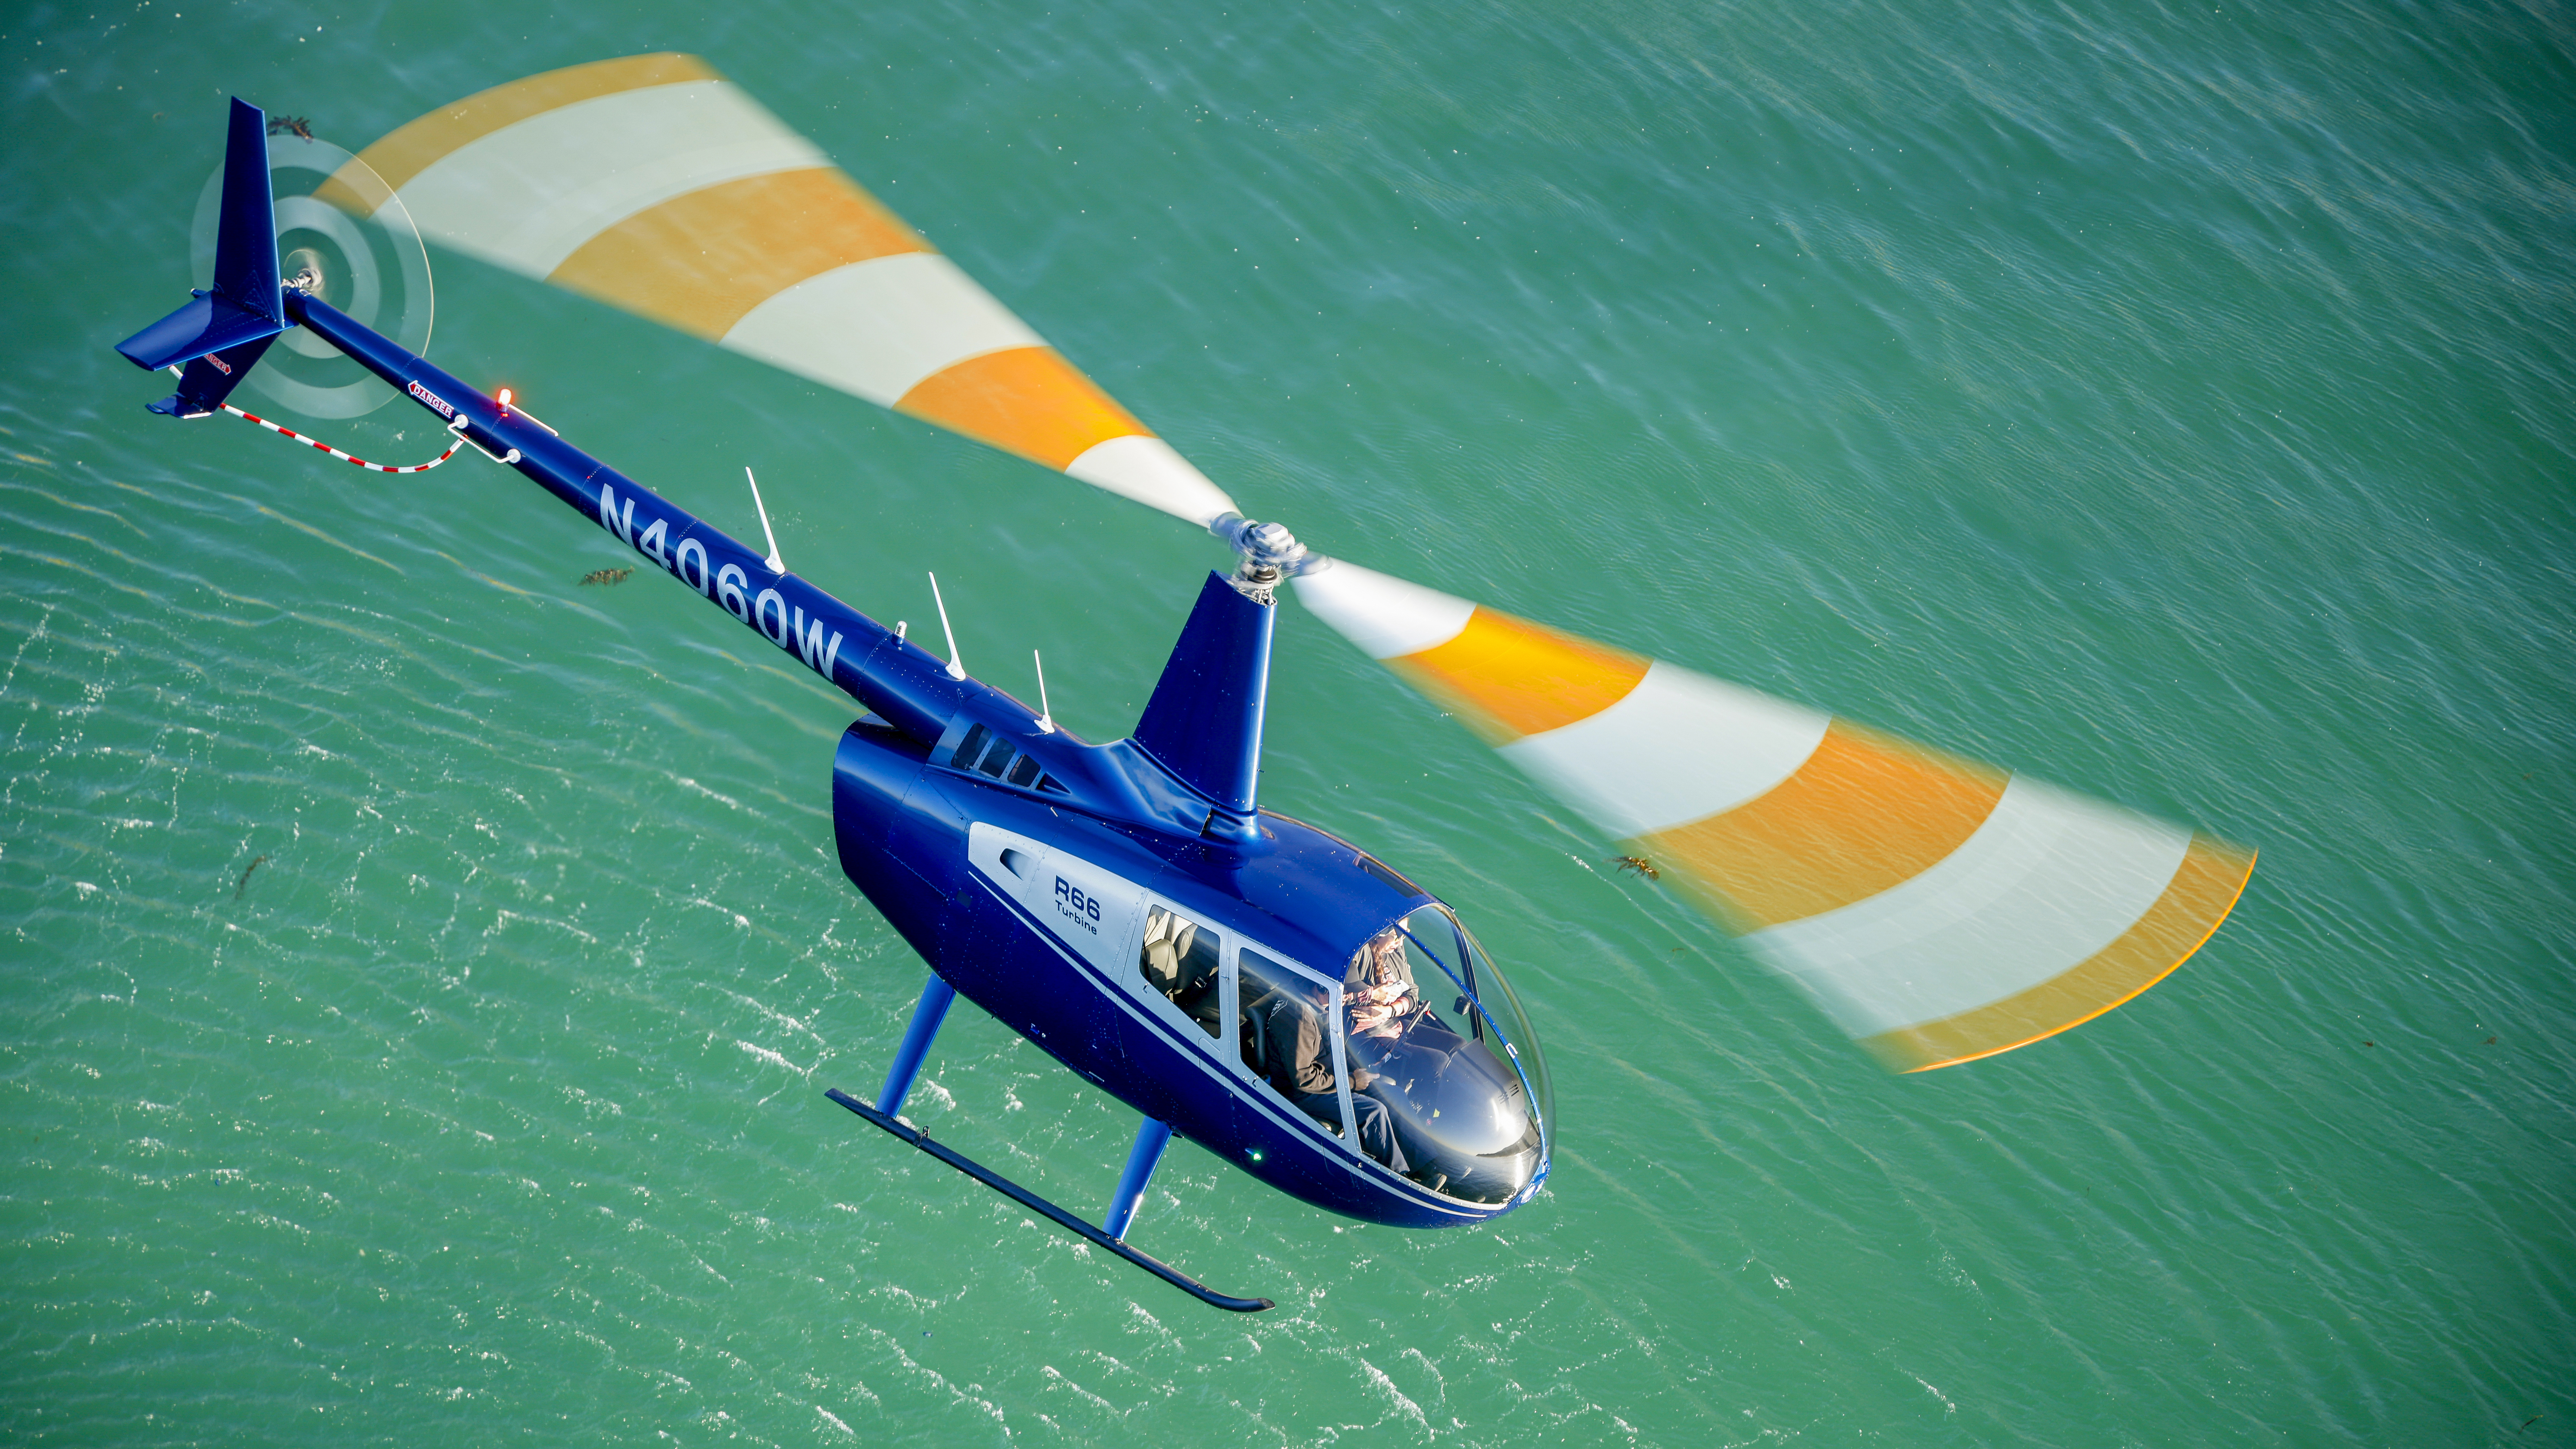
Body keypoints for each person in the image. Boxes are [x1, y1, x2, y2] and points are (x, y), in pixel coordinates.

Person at [1245, 978, 1409, 1174]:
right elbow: (1303, 1078)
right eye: (1346, 993)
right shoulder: (1300, 1017)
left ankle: (1420, 1164)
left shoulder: (1303, 993)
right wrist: (1353, 1082)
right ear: (1322, 988)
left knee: (1392, 1094)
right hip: (1300, 1092)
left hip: (1324, 1075)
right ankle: (1399, 1175)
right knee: (1374, 1112)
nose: (1350, 998)